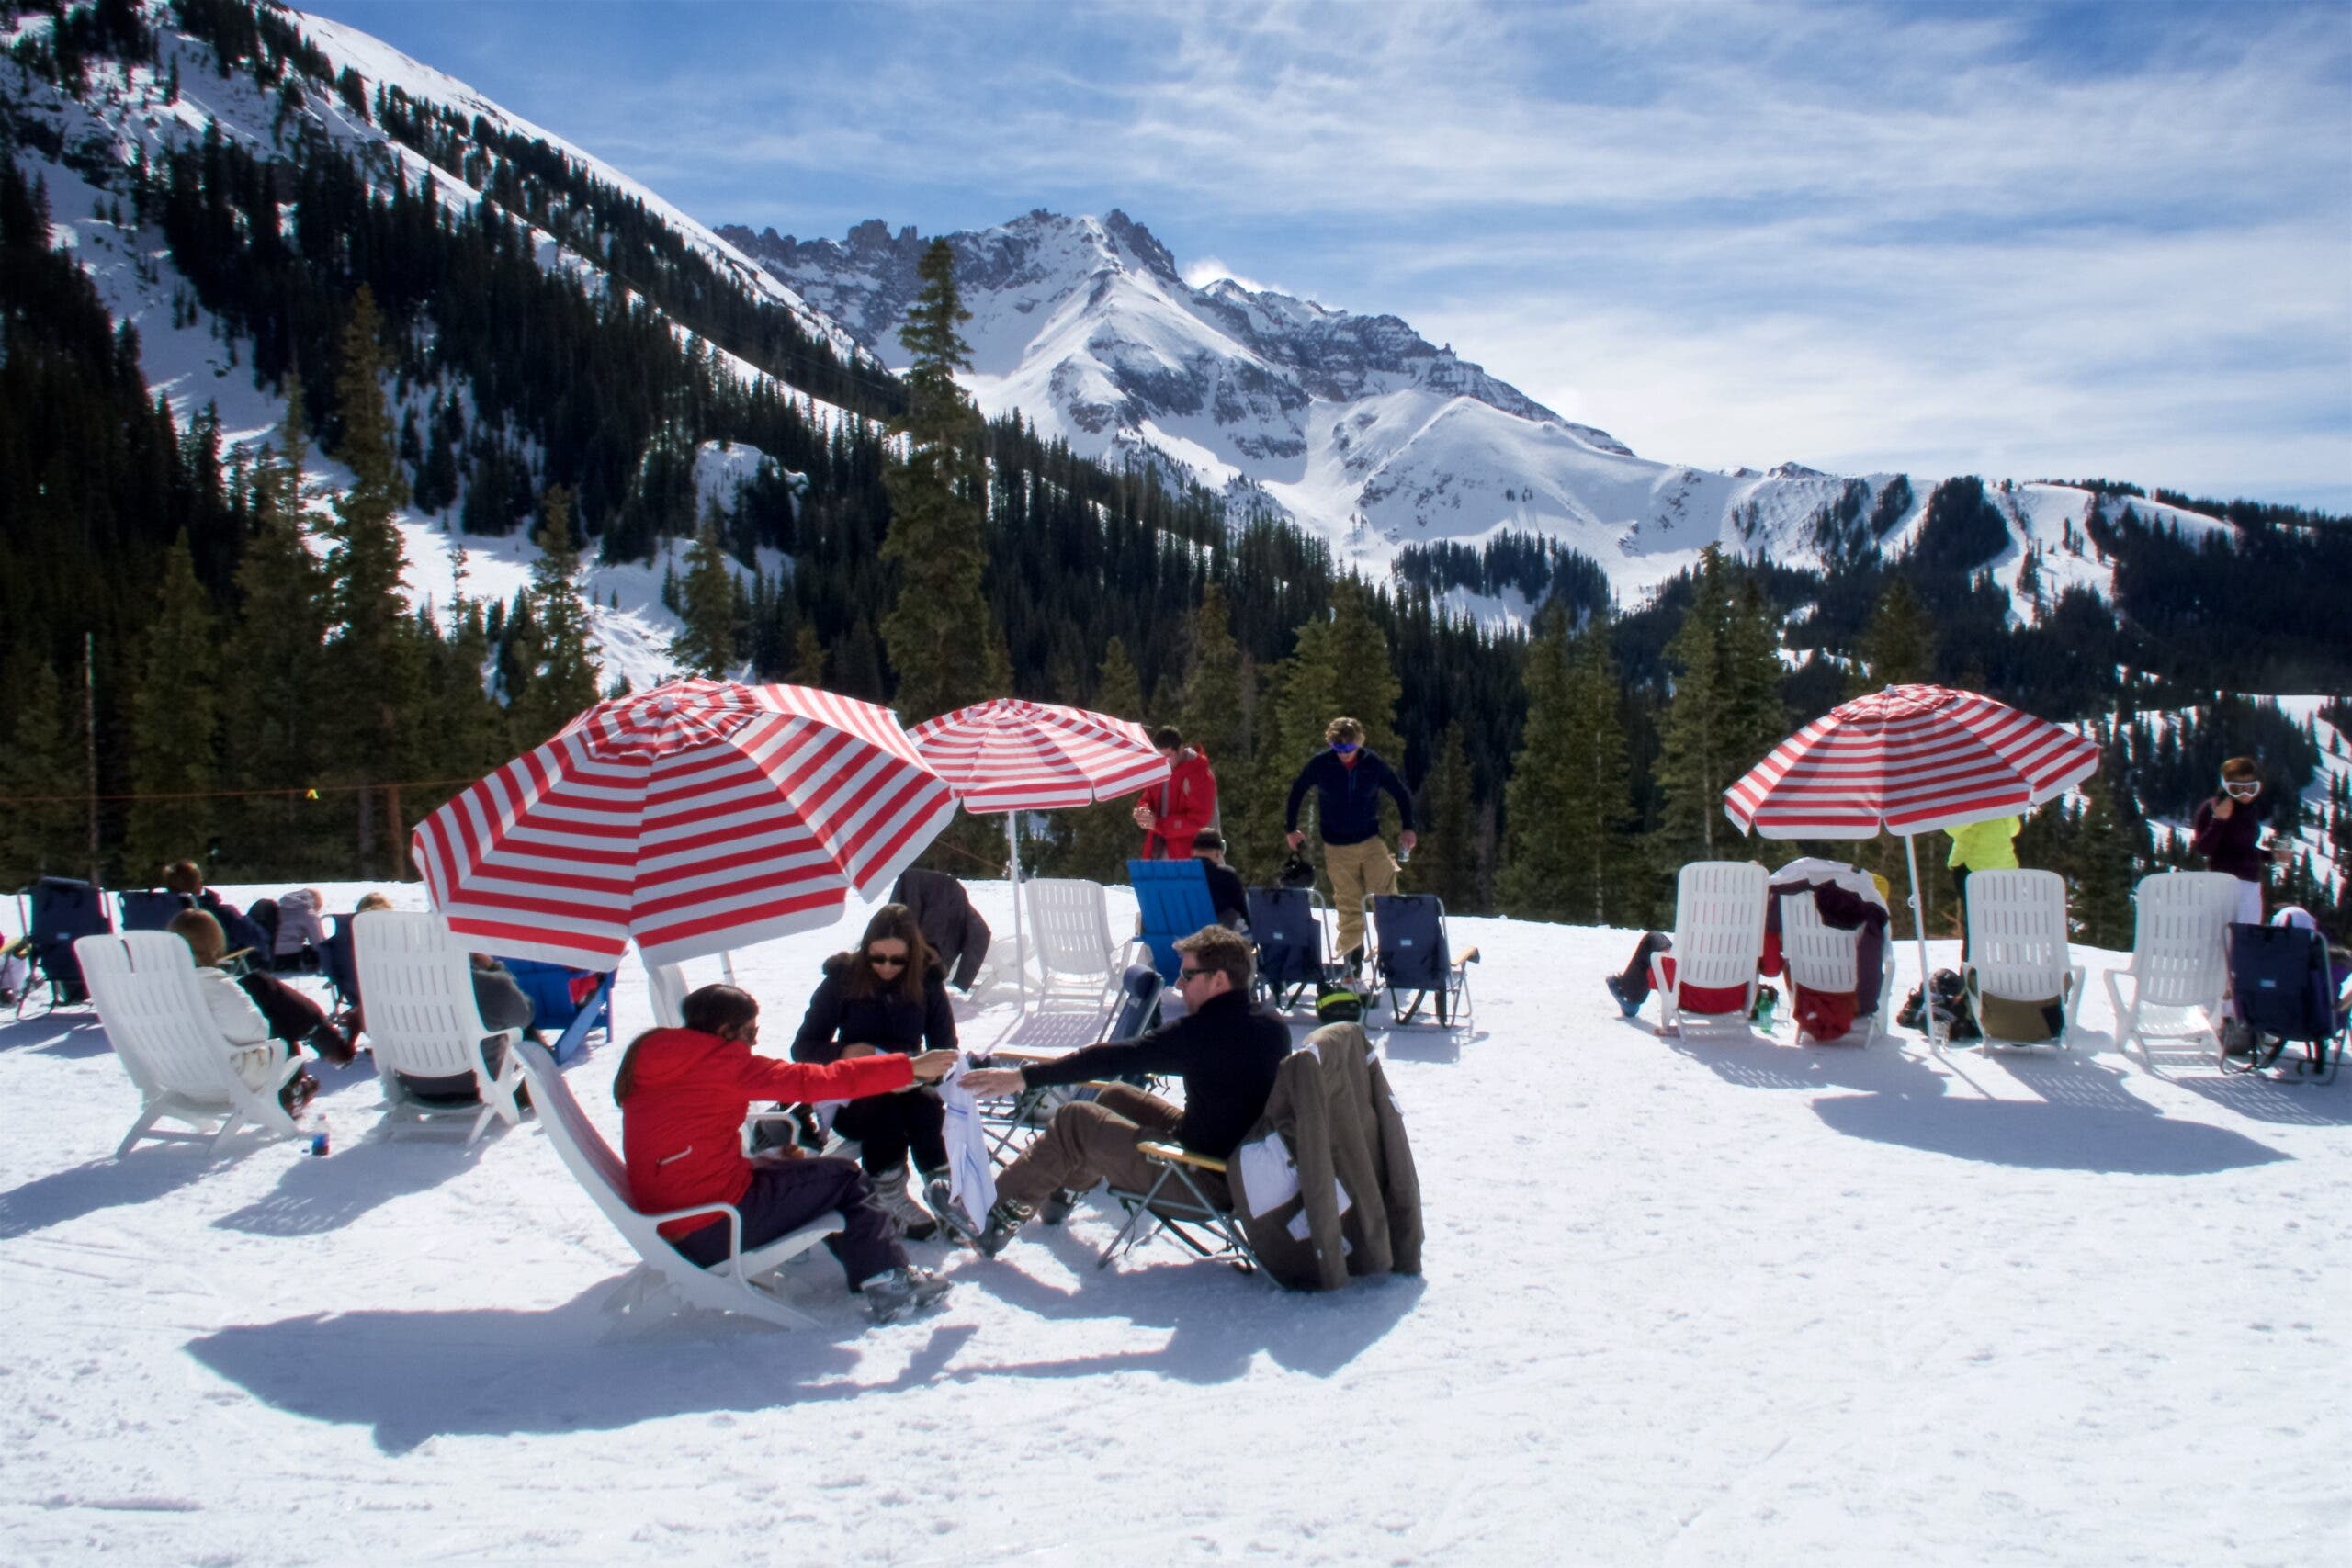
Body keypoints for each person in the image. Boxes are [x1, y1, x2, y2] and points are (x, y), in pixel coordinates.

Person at [616, 983, 956, 1324]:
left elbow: (686, 1144)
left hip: (678, 1217)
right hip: (712, 1229)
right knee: (846, 1178)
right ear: (724, 1031)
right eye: (750, 1033)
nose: (754, 1043)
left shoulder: (659, 1057)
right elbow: (816, 1081)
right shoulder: (722, 1065)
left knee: (821, 1176)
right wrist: (909, 1067)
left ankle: (876, 1271)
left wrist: (767, 1162)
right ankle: (888, 1282)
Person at [942, 925, 1290, 1255]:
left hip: (1202, 1182)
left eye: (1187, 975)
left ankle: (989, 1218)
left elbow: (1114, 1058)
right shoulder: (1271, 1025)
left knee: (1075, 1120)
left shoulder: (1201, 1034)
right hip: (1239, 1168)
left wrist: (1024, 1078)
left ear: (1219, 979)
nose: (1179, 984)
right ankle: (1059, 1194)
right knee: (1114, 1097)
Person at [791, 904, 960, 1240]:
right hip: (853, 1095)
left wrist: (924, 1069)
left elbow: (946, 1048)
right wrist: (844, 1051)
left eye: (897, 960)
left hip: (907, 1082)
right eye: (877, 958)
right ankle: (889, 1192)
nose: (886, 967)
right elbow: (804, 1047)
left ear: (912, 957)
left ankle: (943, 1191)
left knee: (926, 1105)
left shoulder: (926, 982)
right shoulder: (844, 979)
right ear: (865, 951)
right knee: (883, 1106)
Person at [166, 909, 341, 1116]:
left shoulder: (154, 990)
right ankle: (293, 1088)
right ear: (214, 945)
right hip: (227, 1079)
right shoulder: (216, 986)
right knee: (277, 1028)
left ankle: (319, 1051)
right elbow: (256, 1032)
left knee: (262, 989)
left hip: (175, 1077)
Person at [1284, 717, 1415, 974]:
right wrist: (1290, 828)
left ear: (1359, 743)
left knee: (1387, 900)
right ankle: (1352, 959)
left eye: (1349, 747)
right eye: (1338, 748)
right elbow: (1297, 790)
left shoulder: (1371, 763)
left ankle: (1395, 955)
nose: (1344, 753)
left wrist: (1408, 827)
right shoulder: (1322, 764)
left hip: (1371, 842)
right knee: (1348, 905)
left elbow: (1400, 793)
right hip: (1337, 847)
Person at [395, 953, 540, 1105]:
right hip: (481, 1088)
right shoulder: (488, 985)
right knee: (518, 1026)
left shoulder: (394, 991)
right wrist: (492, 968)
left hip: (418, 1088)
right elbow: (525, 1015)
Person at [2192, 758, 2285, 928]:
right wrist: (2218, 820)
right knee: (2223, 935)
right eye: (2237, 789)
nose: (2245, 794)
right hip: (2224, 884)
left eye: (2251, 788)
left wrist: (2272, 856)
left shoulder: (2250, 810)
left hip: (2251, 884)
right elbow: (2204, 848)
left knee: (2249, 934)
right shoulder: (2212, 807)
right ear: (2226, 786)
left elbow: (2244, 849)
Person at [890, 866, 992, 993]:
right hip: (931, 966)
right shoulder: (951, 890)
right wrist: (961, 982)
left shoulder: (907, 881)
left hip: (906, 965)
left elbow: (887, 921)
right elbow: (981, 934)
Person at [1133, 725, 1217, 861]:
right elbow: (1147, 798)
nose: (1164, 761)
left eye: (1168, 756)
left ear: (1181, 749)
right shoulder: (1158, 770)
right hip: (1157, 852)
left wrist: (1158, 824)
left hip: (1190, 856)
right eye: (1160, 756)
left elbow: (1198, 821)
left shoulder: (1200, 774)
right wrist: (1144, 811)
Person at [162, 860, 270, 961]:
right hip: (221, 961)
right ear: (199, 884)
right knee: (265, 907)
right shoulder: (212, 914)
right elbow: (257, 938)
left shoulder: (160, 911)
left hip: (177, 961)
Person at [1946, 815, 2021, 958]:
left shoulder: (2001, 802)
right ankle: (1974, 966)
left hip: (2000, 867)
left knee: (1993, 923)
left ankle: (2004, 963)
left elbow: (2014, 829)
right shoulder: (1998, 800)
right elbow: (1952, 829)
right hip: (1975, 867)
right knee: (1978, 923)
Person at [1190, 829, 1250, 931]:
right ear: (1218, 852)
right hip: (1216, 935)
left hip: (1180, 934)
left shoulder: (1175, 874)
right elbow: (1245, 913)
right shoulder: (1226, 876)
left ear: (1193, 852)